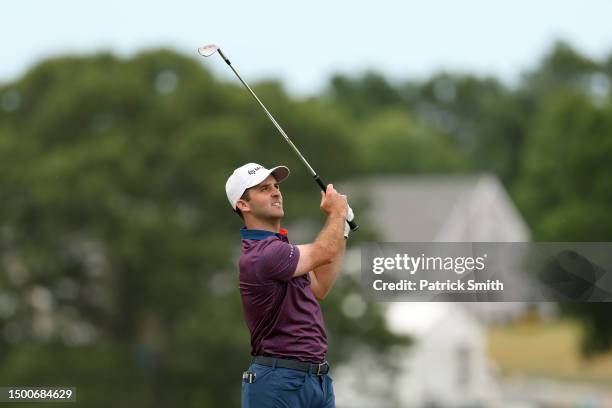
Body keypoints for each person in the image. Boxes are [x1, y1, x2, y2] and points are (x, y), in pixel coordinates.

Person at [225, 162, 352, 408]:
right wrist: (337, 214)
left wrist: (342, 227)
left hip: (316, 381)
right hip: (278, 382)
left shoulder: (282, 249)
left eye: (275, 186)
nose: (275, 192)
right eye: (263, 189)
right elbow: (325, 251)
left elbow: (319, 287)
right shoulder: (262, 254)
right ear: (243, 204)